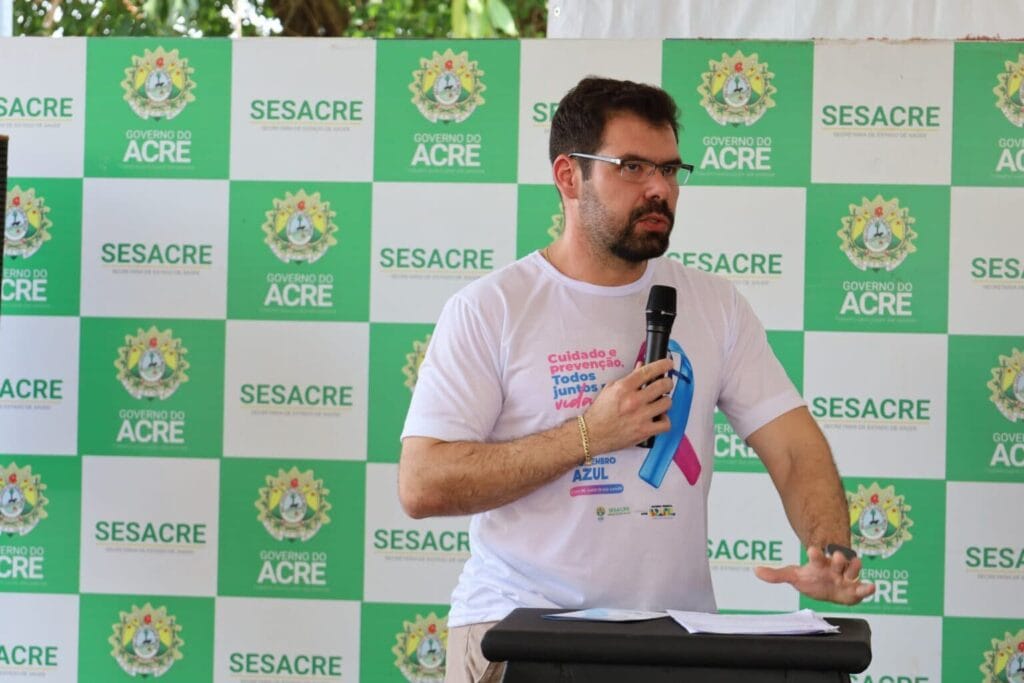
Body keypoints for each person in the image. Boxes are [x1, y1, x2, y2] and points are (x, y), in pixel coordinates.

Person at [399, 76, 874, 683]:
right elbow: (423, 484)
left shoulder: (713, 304)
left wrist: (830, 550)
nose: (659, 189)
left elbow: (793, 447)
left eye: (672, 170)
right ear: (569, 176)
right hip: (523, 633)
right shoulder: (492, 308)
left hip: (673, 641)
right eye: (632, 167)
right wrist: (589, 435)